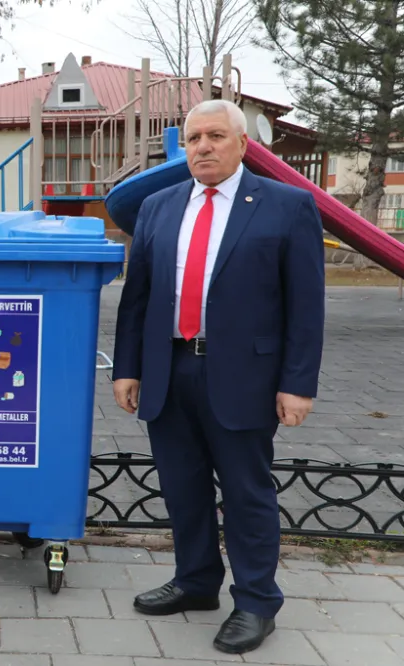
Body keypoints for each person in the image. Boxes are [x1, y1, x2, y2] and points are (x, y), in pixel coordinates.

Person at [111, 99, 325, 655]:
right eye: (193, 138)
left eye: (214, 136)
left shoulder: (286, 206)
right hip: (169, 367)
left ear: (242, 145)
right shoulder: (158, 207)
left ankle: (256, 602)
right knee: (182, 488)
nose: (202, 147)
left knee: (247, 493)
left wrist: (298, 383)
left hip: (244, 377)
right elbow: (137, 299)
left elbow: (306, 307)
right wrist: (127, 367)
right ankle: (196, 581)